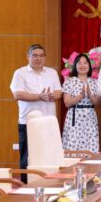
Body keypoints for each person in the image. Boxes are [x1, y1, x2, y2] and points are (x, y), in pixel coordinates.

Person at [10, 44, 62, 181]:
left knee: (49, 155)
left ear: (45, 57)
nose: (38, 58)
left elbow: (59, 92)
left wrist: (51, 95)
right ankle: (25, 185)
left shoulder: (52, 72)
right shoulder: (20, 73)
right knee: (27, 155)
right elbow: (17, 94)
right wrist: (39, 96)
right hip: (28, 122)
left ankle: (49, 182)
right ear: (28, 57)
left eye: (41, 55)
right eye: (35, 55)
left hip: (49, 121)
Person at [61, 53, 101, 154]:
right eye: (79, 63)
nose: (82, 65)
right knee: (74, 147)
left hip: (90, 118)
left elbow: (98, 104)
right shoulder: (69, 81)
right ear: (75, 65)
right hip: (75, 118)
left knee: (90, 146)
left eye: (85, 63)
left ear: (89, 65)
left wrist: (90, 94)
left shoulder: (95, 82)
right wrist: (80, 96)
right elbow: (67, 103)